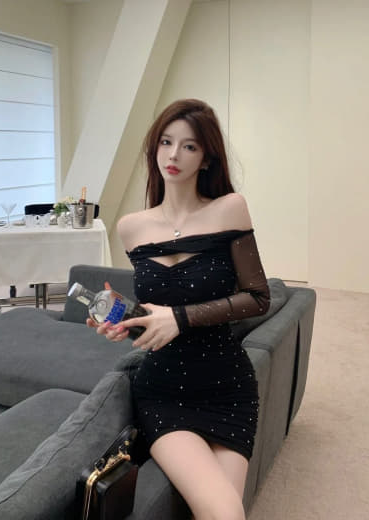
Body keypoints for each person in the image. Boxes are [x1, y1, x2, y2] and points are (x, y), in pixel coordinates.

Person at [88, 99, 270, 520]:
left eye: (189, 146)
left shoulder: (230, 208)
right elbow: (157, 307)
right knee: (226, 512)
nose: (174, 155)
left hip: (228, 387)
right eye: (166, 142)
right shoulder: (131, 226)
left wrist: (179, 318)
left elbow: (259, 297)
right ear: (154, 148)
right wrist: (131, 324)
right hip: (165, 390)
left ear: (206, 157)